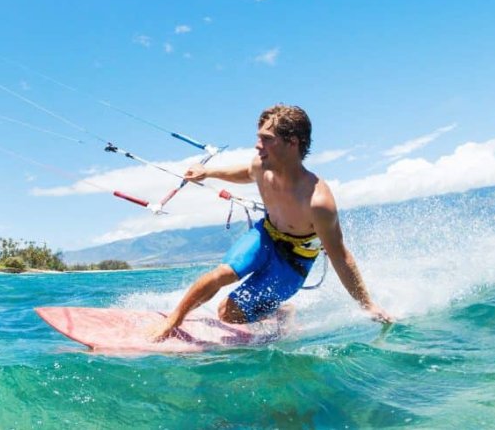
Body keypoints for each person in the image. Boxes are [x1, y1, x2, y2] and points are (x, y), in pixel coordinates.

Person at [151, 104, 392, 341]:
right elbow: (246, 173)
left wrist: (367, 304)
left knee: (227, 313)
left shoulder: (318, 201)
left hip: (292, 261)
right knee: (222, 273)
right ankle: (173, 320)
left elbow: (340, 255)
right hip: (265, 235)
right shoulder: (261, 166)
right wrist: (209, 172)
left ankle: (281, 312)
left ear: (293, 142)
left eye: (267, 139)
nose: (258, 145)